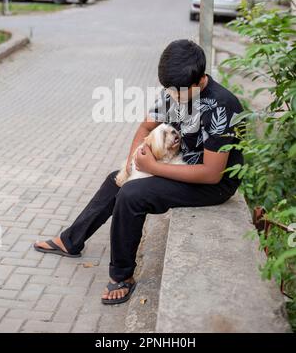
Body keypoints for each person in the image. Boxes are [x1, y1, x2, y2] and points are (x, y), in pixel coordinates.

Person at [34, 39, 244, 305]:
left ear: (200, 80)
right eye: (169, 91)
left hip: (211, 184)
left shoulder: (222, 105)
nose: (173, 97)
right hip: (179, 164)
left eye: (179, 93)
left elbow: (212, 174)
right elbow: (145, 129)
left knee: (133, 194)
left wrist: (153, 168)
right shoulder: (175, 90)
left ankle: (122, 276)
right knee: (117, 179)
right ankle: (70, 240)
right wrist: (135, 162)